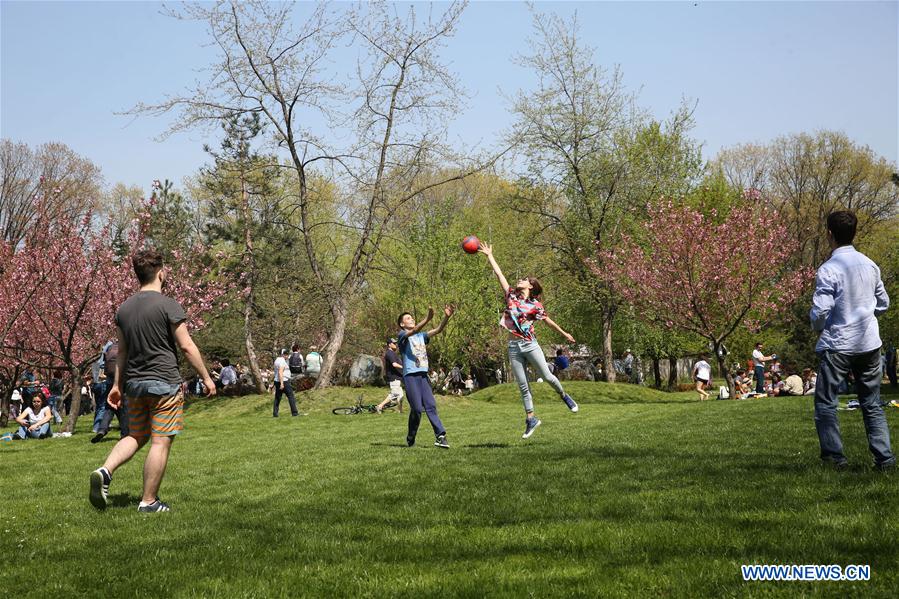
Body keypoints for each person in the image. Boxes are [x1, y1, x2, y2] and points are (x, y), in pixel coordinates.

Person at [89, 248, 216, 513]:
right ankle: (148, 501)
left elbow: (121, 352)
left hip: (134, 385)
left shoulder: (124, 309)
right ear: (160, 273)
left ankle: (105, 470)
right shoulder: (168, 305)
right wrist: (206, 377)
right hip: (164, 383)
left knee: (136, 435)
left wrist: (117, 385)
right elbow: (186, 346)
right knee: (160, 441)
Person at [809, 211, 894, 470]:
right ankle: (884, 459)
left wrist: (818, 326)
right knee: (872, 403)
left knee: (826, 403)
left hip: (839, 344)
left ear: (829, 234)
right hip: (869, 343)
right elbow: (883, 303)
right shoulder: (870, 265)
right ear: (854, 232)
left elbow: (821, 311)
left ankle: (835, 459)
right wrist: (865, 315)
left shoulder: (829, 269)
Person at [479, 243, 578, 439]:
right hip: (513, 346)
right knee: (523, 385)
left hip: (530, 345)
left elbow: (548, 321)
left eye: (524, 279)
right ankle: (531, 419)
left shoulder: (535, 305)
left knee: (547, 376)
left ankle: (564, 396)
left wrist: (564, 333)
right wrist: (490, 255)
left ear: (530, 286)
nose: (520, 280)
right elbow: (499, 274)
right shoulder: (511, 296)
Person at [397, 306, 455, 448]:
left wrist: (446, 317)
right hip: (410, 376)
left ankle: (440, 436)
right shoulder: (402, 335)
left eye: (412, 317)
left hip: (423, 376)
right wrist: (427, 319)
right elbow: (414, 330)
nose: (412, 319)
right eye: (408, 318)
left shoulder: (421, 336)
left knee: (430, 405)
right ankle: (411, 437)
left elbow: (438, 330)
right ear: (402, 324)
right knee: (417, 409)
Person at [91, 342, 130, 444]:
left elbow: (101, 364)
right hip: (124, 379)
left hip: (110, 380)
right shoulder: (127, 344)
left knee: (109, 406)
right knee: (124, 406)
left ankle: (102, 429)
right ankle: (125, 434)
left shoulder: (109, 346)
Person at [376, 338, 404, 413]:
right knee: (394, 394)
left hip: (397, 377)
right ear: (389, 345)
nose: (396, 345)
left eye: (396, 343)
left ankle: (400, 411)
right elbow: (394, 364)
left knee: (401, 395)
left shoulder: (393, 353)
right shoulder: (390, 353)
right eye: (394, 343)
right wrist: (404, 367)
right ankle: (380, 406)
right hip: (393, 377)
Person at [273, 349, 299, 417]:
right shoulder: (282, 361)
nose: (287, 356)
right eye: (287, 354)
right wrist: (282, 384)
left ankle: (275, 413)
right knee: (291, 396)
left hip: (277, 381)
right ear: (284, 354)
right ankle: (295, 413)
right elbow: (280, 372)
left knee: (277, 398)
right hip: (284, 381)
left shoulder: (277, 360)